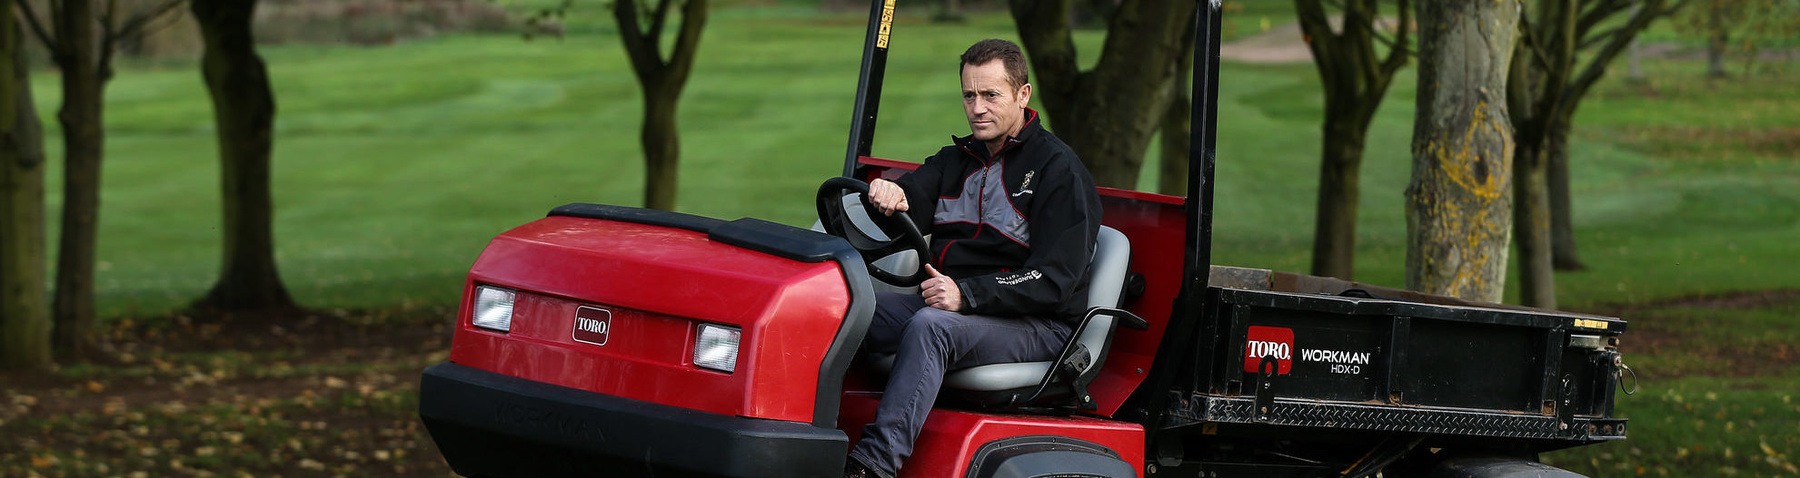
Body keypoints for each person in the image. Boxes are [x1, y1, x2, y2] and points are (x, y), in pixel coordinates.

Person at [844, 38, 1103, 478]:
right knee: (842, 307)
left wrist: (966, 294)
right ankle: (799, 433)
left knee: (932, 327)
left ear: (1023, 95)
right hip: (956, 307)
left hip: (1041, 324)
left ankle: (872, 467)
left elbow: (1053, 279)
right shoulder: (955, 160)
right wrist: (886, 196)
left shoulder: (1059, 171)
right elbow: (909, 203)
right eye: (969, 95)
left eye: (990, 95)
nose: (977, 108)